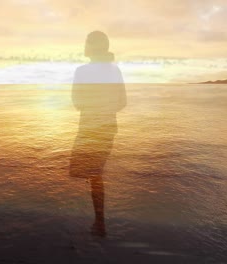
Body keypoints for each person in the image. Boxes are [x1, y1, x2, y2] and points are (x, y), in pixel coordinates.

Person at [70, 31, 126, 237]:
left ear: (92, 46)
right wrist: (105, 108)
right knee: (94, 173)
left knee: (93, 174)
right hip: (108, 126)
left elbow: (76, 103)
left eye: (86, 42)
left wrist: (93, 108)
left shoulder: (82, 71)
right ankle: (98, 218)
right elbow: (122, 102)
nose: (84, 45)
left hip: (89, 127)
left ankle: (99, 222)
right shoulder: (115, 71)